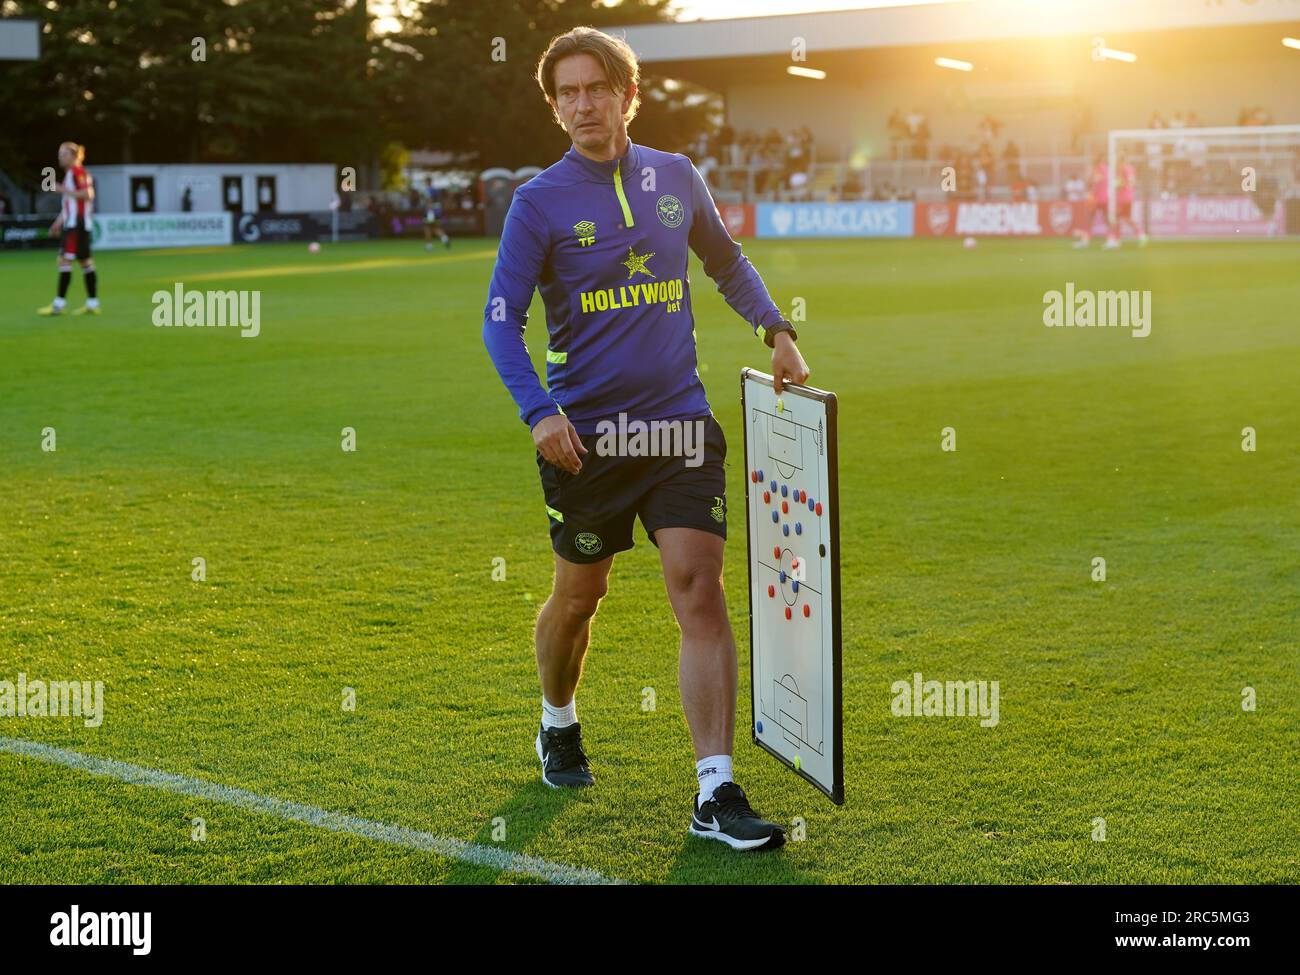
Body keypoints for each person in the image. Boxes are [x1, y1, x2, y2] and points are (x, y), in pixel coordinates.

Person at [481, 26, 809, 852]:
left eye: (597, 89)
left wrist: (776, 327)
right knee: (580, 596)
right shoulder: (537, 201)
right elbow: (499, 323)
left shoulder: (676, 176)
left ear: (629, 95)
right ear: (555, 107)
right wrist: (539, 411)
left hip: (679, 424)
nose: (583, 105)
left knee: (698, 589)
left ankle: (715, 788)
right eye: (568, 94)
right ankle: (558, 720)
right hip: (586, 439)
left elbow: (725, 260)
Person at [37, 142, 100, 316]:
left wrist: (61, 189)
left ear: (73, 156)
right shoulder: (71, 174)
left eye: (63, 154)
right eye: (59, 154)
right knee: (85, 262)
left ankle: (58, 305)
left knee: (64, 260)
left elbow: (88, 194)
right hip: (76, 223)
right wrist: (58, 222)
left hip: (77, 224)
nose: (60, 157)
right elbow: (70, 204)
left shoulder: (77, 172)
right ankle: (93, 303)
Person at [422, 177, 450, 250]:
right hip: (437, 210)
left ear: (427, 182)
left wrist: (429, 210)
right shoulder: (435, 190)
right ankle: (445, 239)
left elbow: (429, 200)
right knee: (435, 227)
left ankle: (429, 245)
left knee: (427, 228)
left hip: (430, 211)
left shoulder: (428, 190)